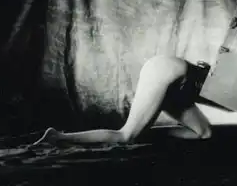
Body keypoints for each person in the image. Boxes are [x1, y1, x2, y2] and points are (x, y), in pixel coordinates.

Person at [33, 55, 213, 147]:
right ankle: (58, 137)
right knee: (126, 136)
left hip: (176, 81)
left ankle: (143, 134)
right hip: (167, 72)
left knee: (204, 133)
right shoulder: (226, 82)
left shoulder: (222, 82)